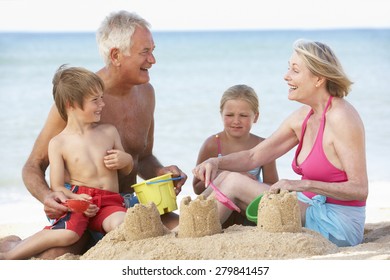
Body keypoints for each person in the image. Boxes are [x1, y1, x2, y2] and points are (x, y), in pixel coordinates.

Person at [2, 10, 187, 259]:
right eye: (145, 52)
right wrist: (48, 196)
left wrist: (162, 174)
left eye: (153, 50)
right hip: (81, 210)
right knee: (53, 258)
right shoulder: (77, 104)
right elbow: (33, 165)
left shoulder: (147, 94)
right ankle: (13, 246)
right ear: (116, 55)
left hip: (123, 209)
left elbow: (142, 157)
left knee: (187, 232)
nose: (153, 60)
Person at [193, 39, 368, 247]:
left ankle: (193, 238)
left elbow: (360, 189)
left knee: (233, 182)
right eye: (288, 68)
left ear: (318, 79)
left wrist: (300, 185)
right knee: (224, 178)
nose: (286, 76)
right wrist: (215, 162)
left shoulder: (342, 117)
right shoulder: (302, 117)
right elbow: (253, 156)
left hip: (337, 223)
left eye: (295, 70)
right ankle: (189, 227)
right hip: (307, 207)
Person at [1, 65, 133, 260]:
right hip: (79, 202)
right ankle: (10, 255)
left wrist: (125, 160)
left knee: (122, 223)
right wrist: (76, 200)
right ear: (71, 104)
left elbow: (127, 169)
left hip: (109, 202)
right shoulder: (58, 143)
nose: (102, 104)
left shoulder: (109, 132)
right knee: (67, 234)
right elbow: (57, 186)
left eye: (102, 98)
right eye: (95, 100)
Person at [193, 84, 278, 227]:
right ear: (221, 114)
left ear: (255, 116)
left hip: (247, 213)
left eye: (243, 115)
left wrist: (247, 185)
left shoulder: (263, 145)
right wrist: (225, 176)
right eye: (229, 115)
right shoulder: (212, 144)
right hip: (220, 210)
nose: (236, 121)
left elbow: (272, 185)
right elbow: (197, 187)